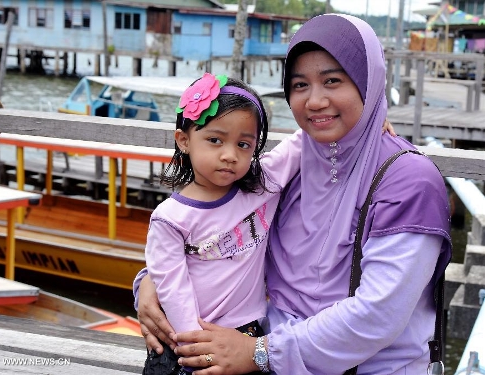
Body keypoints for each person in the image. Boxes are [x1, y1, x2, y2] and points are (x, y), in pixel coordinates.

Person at [133, 14, 451, 374]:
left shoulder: (408, 182)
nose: (315, 101)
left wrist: (261, 353)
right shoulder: (293, 168)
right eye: (300, 85)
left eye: (333, 81)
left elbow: (377, 314)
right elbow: (217, 229)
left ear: (369, 83)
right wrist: (151, 281)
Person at [141, 72, 303, 375]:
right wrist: (197, 349)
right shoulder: (170, 217)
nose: (230, 155)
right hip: (185, 344)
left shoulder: (261, 187)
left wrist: (371, 124)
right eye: (215, 140)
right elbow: (173, 289)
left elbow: (301, 141)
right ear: (184, 140)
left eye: (244, 144)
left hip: (247, 337)